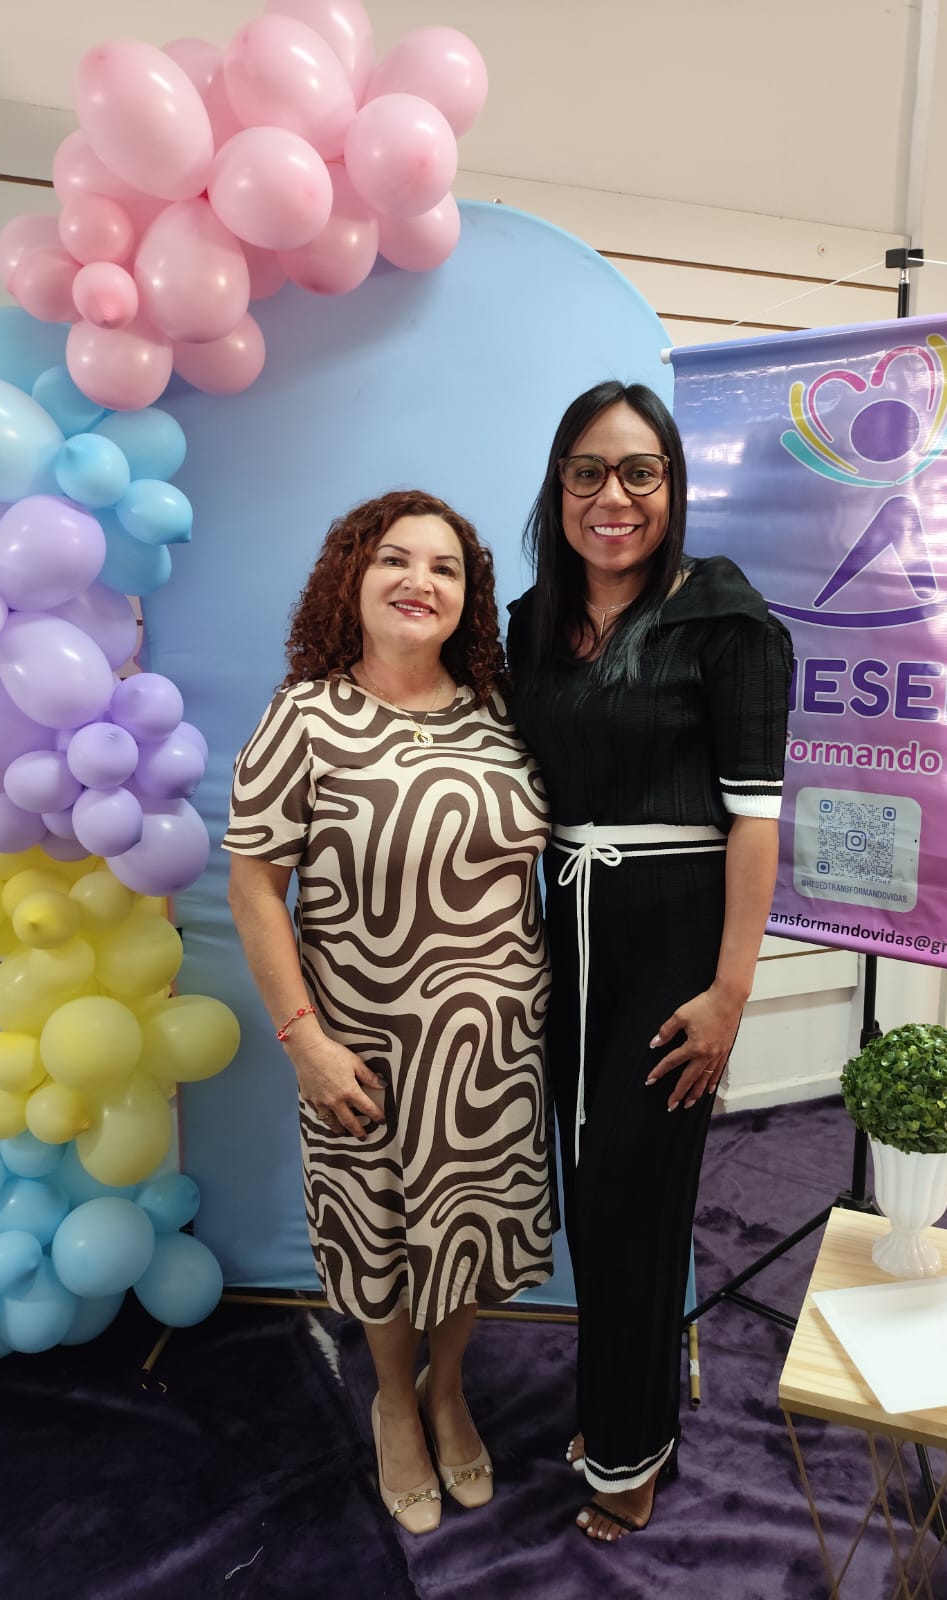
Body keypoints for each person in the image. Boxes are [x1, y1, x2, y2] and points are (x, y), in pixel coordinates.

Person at [224, 490, 553, 1536]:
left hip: (493, 1048)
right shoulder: (305, 716)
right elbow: (254, 885)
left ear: (469, 596)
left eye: (446, 567)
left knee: (470, 1231)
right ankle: (393, 1406)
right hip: (360, 1047)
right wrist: (304, 1042)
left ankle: (446, 1391)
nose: (420, 581)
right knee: (378, 1240)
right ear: (351, 579)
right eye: (394, 560)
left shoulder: (505, 709)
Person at [507, 380, 793, 1543]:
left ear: (671, 486)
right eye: (588, 471)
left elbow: (755, 821)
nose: (612, 495)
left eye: (639, 471)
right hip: (565, 931)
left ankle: (629, 1449)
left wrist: (730, 992)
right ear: (558, 486)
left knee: (636, 1192)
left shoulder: (726, 621)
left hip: (675, 938)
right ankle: (617, 1405)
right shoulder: (531, 623)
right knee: (588, 1187)